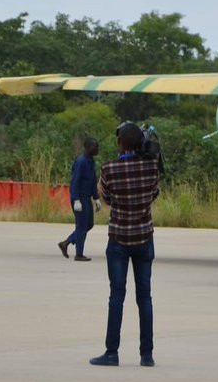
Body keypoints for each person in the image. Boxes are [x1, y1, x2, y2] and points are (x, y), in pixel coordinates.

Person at [90, 122, 160, 368]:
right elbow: (153, 194)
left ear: (120, 143)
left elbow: (107, 199)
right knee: (145, 298)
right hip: (144, 237)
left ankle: (111, 353)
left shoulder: (109, 169)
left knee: (116, 296)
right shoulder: (151, 167)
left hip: (119, 238)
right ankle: (146, 355)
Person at [58, 137, 99, 261]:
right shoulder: (81, 161)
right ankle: (79, 254)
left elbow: (93, 181)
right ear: (87, 147)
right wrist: (76, 199)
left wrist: (96, 198)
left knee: (89, 224)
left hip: (87, 198)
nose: (97, 149)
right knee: (81, 226)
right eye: (94, 146)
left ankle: (66, 242)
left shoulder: (91, 161)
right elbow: (75, 181)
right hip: (79, 198)